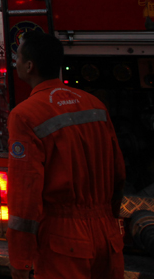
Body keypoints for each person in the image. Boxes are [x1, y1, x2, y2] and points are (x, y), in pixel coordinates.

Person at [7, 31, 125, 279]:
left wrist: (20, 259)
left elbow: (25, 195)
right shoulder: (95, 105)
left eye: (17, 57)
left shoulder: (25, 115)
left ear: (30, 66)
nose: (14, 62)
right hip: (108, 235)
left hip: (64, 243)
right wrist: (109, 214)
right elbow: (118, 170)